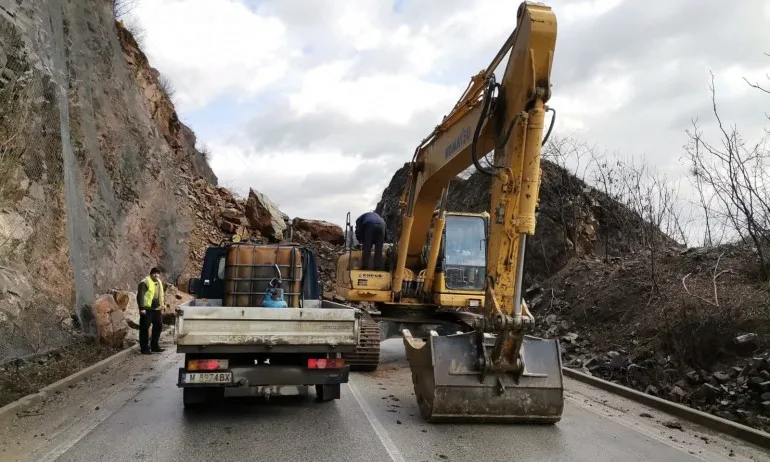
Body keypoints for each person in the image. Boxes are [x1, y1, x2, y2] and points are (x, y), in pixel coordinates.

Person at [136, 267, 165, 354]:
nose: (156, 275)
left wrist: (162, 306)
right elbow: (140, 296)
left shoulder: (159, 281)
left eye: (157, 273)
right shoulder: (145, 282)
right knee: (144, 328)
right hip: (147, 309)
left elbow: (161, 295)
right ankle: (144, 348)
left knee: (158, 326)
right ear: (151, 274)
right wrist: (141, 308)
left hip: (156, 309)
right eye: (154, 273)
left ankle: (154, 346)